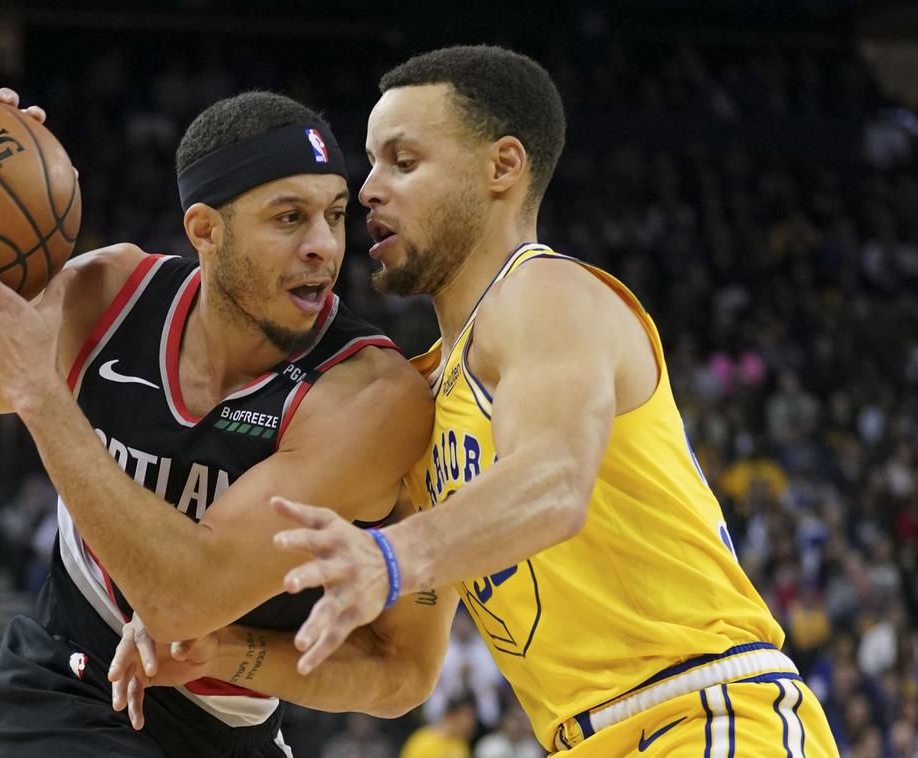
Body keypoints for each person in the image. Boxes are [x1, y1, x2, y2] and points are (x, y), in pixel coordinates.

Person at [270, 45, 840, 755]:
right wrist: (211, 659)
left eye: (404, 162)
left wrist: (388, 557)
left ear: (502, 167)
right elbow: (401, 673)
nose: (368, 191)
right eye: (373, 163)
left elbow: (555, 483)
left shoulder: (545, 295)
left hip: (701, 712)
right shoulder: (427, 394)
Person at [0, 85, 453, 756]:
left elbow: (397, 670)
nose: (323, 246)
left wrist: (225, 653)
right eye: (288, 218)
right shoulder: (113, 297)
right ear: (205, 232)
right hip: (69, 692)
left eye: (334, 215)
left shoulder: (368, 398)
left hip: (235, 730)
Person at [400, 694, 475, 758]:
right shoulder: (422, 742)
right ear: (452, 717)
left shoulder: (461, 744)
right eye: (466, 719)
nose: (470, 725)